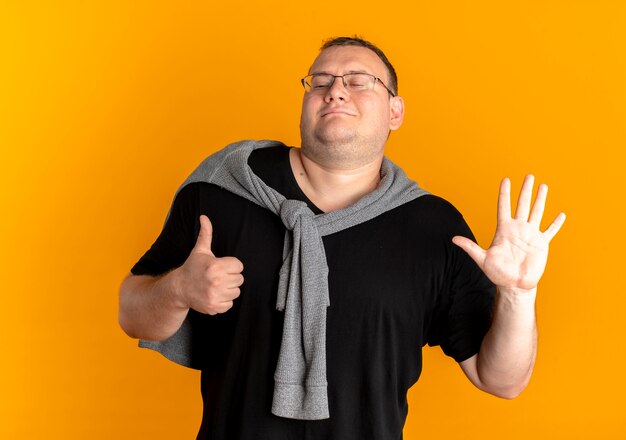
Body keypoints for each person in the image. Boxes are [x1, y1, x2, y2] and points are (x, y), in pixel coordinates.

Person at [119, 36, 566, 440]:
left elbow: (501, 380)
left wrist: (517, 293)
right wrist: (178, 289)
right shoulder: (222, 191)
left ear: (395, 112)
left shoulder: (432, 226)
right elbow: (131, 313)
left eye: (359, 81)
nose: (335, 90)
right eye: (320, 81)